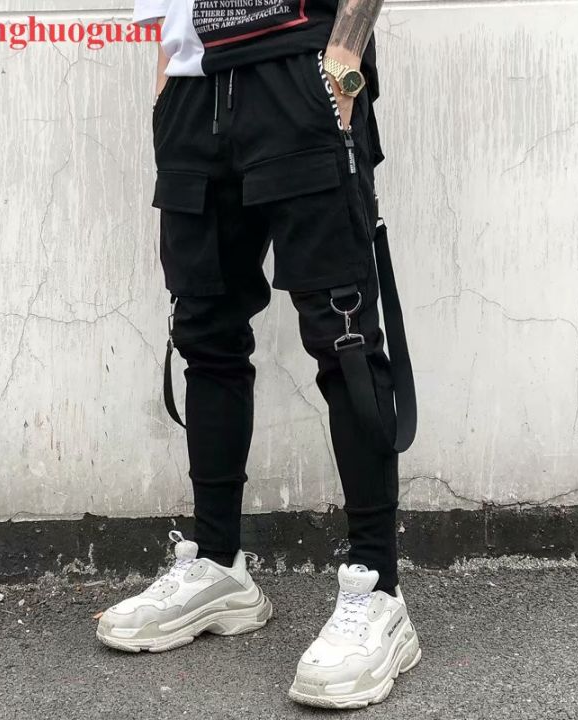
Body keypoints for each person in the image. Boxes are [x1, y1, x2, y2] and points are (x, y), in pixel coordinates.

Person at [96, 0, 421, 707]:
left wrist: (342, 64)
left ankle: (379, 591)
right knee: (204, 333)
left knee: (343, 335)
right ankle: (219, 567)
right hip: (192, 93)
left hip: (297, 68)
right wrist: (166, 79)